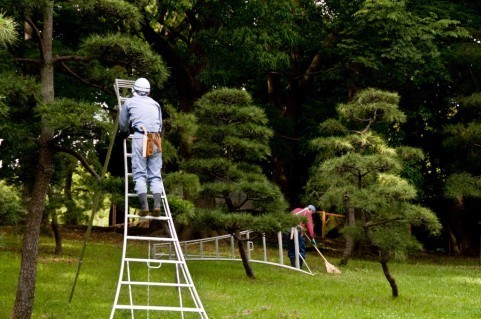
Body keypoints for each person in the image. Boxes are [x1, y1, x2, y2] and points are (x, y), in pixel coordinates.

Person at [119, 77, 163, 217]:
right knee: (155, 175)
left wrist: (125, 133)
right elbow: (160, 125)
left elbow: (123, 123)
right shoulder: (155, 104)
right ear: (148, 92)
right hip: (155, 138)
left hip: (140, 137)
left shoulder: (130, 102)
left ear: (134, 91)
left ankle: (144, 207)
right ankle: (156, 206)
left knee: (139, 174)